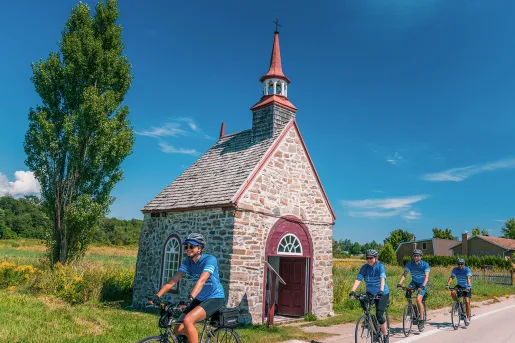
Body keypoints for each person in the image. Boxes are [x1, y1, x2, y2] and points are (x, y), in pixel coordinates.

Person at [152, 233, 225, 343]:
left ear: (199, 248)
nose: (188, 249)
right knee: (177, 329)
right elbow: (174, 279)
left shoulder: (210, 260)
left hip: (214, 297)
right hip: (200, 298)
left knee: (188, 320)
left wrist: (190, 298)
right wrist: (157, 296)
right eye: (186, 246)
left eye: (191, 246)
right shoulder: (188, 262)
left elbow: (202, 280)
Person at [349, 249, 390, 343]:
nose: (369, 260)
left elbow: (382, 278)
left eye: (371, 258)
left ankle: (385, 335)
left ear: (375, 258)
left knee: (379, 314)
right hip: (370, 293)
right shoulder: (364, 267)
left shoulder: (380, 266)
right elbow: (358, 279)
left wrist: (381, 290)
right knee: (364, 304)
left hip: (382, 293)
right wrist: (352, 291)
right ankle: (372, 327)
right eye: (367, 258)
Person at [397, 249, 430, 330]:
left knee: (418, 300)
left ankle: (421, 319)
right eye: (414, 255)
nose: (416, 257)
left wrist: (422, 286)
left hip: (422, 283)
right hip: (414, 282)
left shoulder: (425, 264)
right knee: (408, 294)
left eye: (417, 255)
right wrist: (400, 283)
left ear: (420, 257)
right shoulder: (410, 264)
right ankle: (413, 311)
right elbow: (404, 275)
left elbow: (427, 277)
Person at [445, 258, 472, 325]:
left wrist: (468, 286)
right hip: (459, 285)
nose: (460, 265)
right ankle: (457, 303)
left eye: (461, 264)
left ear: (464, 264)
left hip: (466, 286)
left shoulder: (467, 269)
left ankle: (467, 318)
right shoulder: (455, 269)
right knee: (453, 292)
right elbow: (451, 278)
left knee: (467, 301)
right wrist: (447, 285)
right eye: (458, 264)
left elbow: (468, 278)